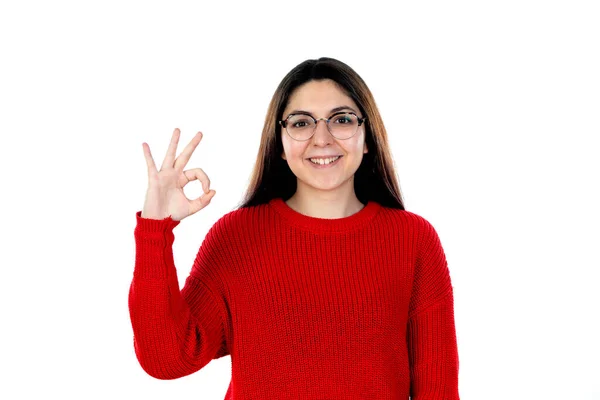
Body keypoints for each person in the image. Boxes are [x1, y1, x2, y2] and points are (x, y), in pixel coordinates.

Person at [129, 57, 460, 399]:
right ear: (281, 145)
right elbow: (166, 359)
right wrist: (155, 228)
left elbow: (438, 390)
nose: (322, 139)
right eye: (301, 124)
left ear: (367, 138)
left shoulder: (413, 240)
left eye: (342, 120)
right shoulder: (236, 236)